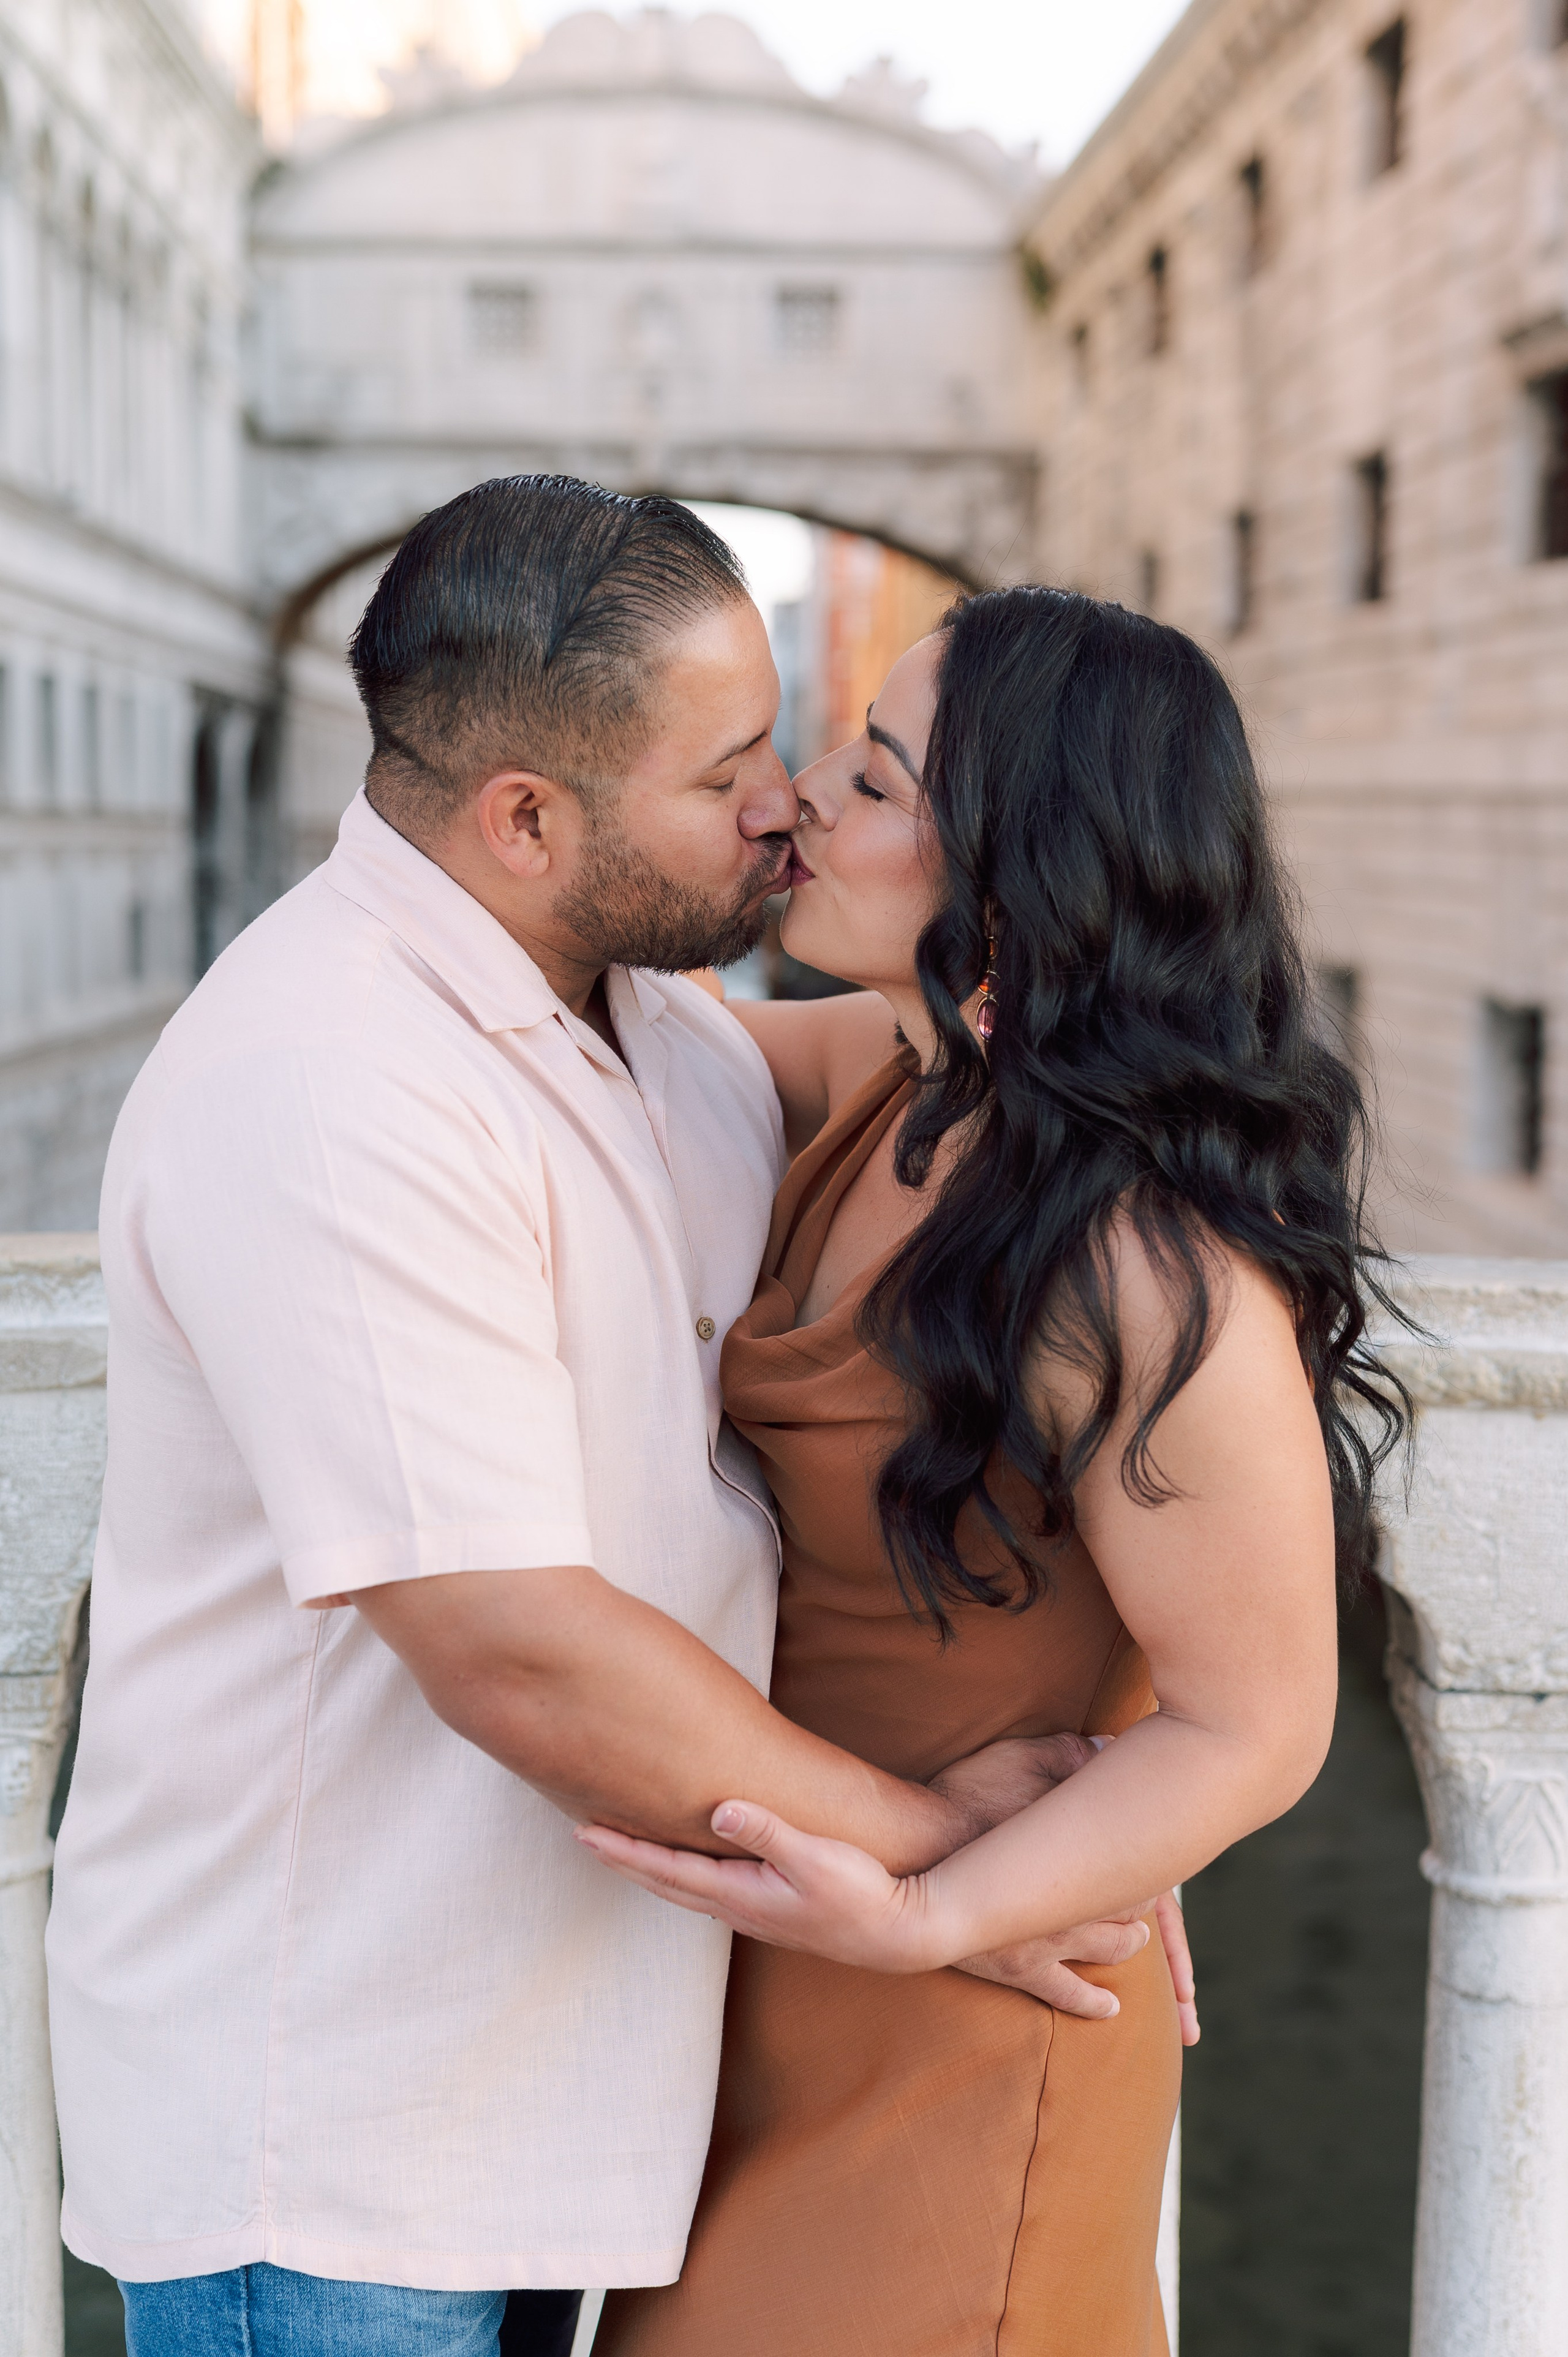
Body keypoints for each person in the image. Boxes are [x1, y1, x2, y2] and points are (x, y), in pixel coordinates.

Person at [46, 480, 1167, 2357]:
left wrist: (1125, 1811)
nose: (785, 804)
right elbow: (516, 1644)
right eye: (727, 775)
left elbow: (982, 1061)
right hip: (334, 2149)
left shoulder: (645, 1016)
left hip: (571, 2094)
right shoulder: (330, 1082)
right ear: (526, 820)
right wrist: (950, 1866)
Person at [586, 587, 1411, 2356]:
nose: (803, 793)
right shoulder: (892, 1083)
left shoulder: (1133, 1258)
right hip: (780, 1976)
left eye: (878, 781)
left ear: (1021, 882)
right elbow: (583, 1043)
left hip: (963, 2012)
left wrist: (927, 1913)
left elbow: (1262, 1721)